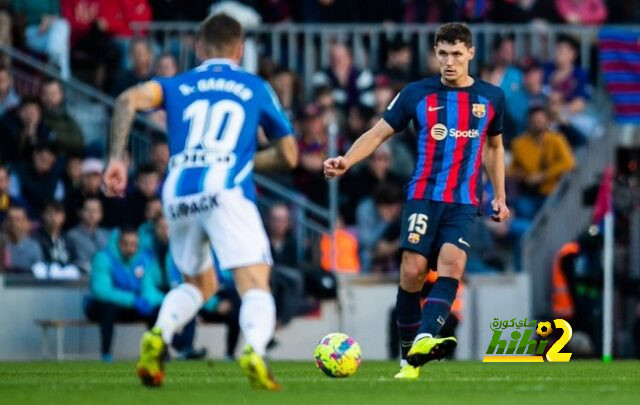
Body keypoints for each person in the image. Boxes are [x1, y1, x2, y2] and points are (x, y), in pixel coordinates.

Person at [102, 14, 298, 389]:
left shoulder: (177, 84)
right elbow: (289, 155)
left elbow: (127, 99)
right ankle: (254, 349)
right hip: (226, 189)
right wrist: (244, 159)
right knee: (255, 283)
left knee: (199, 283)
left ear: (198, 47)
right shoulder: (254, 86)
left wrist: (116, 158)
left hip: (178, 191)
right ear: (240, 49)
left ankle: (159, 333)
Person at [323, 23, 509, 379]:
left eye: (457, 54)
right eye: (443, 54)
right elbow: (378, 133)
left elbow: (495, 147)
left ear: (471, 53)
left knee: (452, 264)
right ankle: (409, 359)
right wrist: (346, 159)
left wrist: (500, 195)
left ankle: (424, 338)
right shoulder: (416, 94)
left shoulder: (491, 99)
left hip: (464, 202)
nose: (449, 62)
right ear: (435, 54)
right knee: (412, 273)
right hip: (423, 196)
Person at [85, 226, 164, 362]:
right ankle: (106, 354)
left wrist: (148, 300)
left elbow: (149, 286)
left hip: (132, 306)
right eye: (125, 244)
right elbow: (102, 291)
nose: (130, 248)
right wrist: (132, 300)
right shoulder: (103, 257)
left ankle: (159, 353)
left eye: (133, 244)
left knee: (157, 310)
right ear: (118, 242)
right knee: (107, 308)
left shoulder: (145, 259)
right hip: (102, 307)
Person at [66, 197, 110, 273]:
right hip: (80, 279)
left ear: (101, 214)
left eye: (95, 211)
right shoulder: (71, 236)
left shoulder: (107, 235)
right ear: (79, 212)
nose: (92, 214)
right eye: (88, 210)